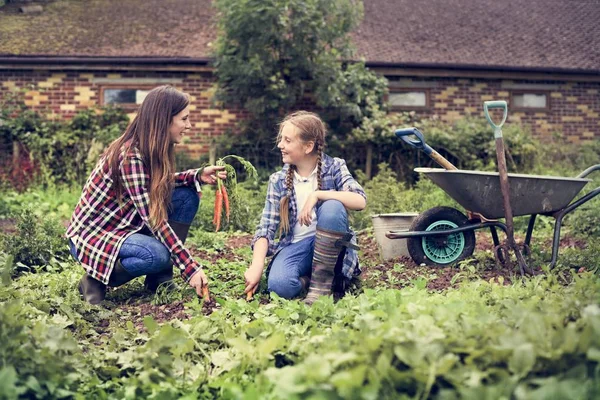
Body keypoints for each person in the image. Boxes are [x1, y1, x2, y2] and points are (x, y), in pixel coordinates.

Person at [66, 85, 226, 305]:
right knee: (157, 255)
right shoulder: (130, 155)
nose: (188, 125)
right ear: (164, 120)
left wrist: (196, 176)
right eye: (184, 119)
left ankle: (158, 278)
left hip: (124, 224)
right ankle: (95, 280)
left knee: (186, 195)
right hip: (94, 235)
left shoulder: (151, 148)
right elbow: (153, 218)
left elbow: (155, 183)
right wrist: (189, 267)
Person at [244, 111, 367, 305]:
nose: (280, 145)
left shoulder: (334, 167)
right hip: (298, 246)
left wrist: (318, 194)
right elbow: (266, 228)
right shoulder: (278, 180)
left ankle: (322, 286)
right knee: (280, 286)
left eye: (287, 140)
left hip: (332, 244)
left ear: (308, 146)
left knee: (332, 206)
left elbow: (360, 201)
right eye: (281, 139)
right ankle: (315, 280)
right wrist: (256, 265)